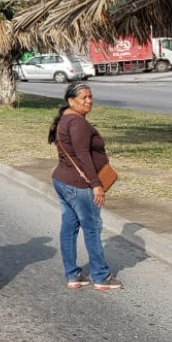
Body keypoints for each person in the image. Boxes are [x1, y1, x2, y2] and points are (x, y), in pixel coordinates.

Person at [50, 82, 122, 291]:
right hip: (79, 185)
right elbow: (82, 156)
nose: (89, 101)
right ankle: (101, 276)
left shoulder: (66, 119)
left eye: (90, 97)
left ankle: (73, 276)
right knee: (92, 229)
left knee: (69, 228)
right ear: (71, 100)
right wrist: (96, 185)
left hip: (64, 181)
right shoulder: (78, 123)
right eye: (84, 97)